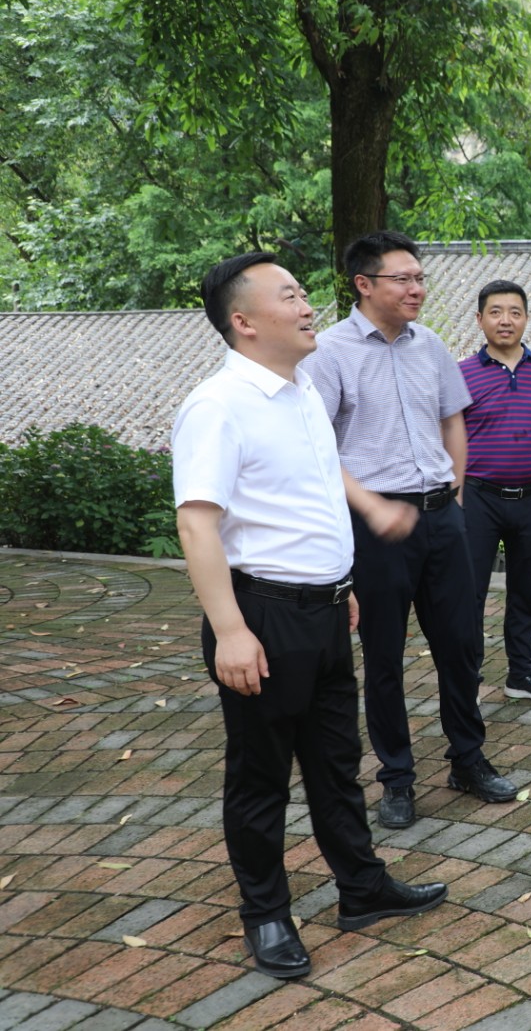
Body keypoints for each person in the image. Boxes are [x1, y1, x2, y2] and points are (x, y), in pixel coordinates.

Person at [174, 253, 448, 979]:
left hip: (325, 610)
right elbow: (197, 524)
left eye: (303, 293)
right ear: (243, 321)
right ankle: (266, 914)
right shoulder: (218, 404)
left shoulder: (300, 392)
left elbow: (315, 489)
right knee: (261, 777)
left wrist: (341, 578)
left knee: (335, 764)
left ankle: (361, 887)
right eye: (290, 296)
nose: (306, 307)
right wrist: (231, 631)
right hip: (262, 618)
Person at [303, 230, 516, 830]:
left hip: (441, 515)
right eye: (403, 279)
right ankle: (396, 778)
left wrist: (455, 493)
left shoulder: (431, 346)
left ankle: (467, 759)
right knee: (385, 655)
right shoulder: (330, 352)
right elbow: (317, 448)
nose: (417, 288)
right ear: (364, 284)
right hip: (377, 523)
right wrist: (371, 508)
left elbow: (452, 421)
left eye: (420, 278)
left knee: (461, 645)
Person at [459, 279, 531, 707]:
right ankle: (465, 679)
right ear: (480, 319)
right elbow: (448, 436)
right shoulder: (461, 374)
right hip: (477, 498)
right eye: (495, 312)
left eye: (514, 312)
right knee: (469, 594)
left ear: (526, 318)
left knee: (525, 592)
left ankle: (522, 674)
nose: (505, 320)